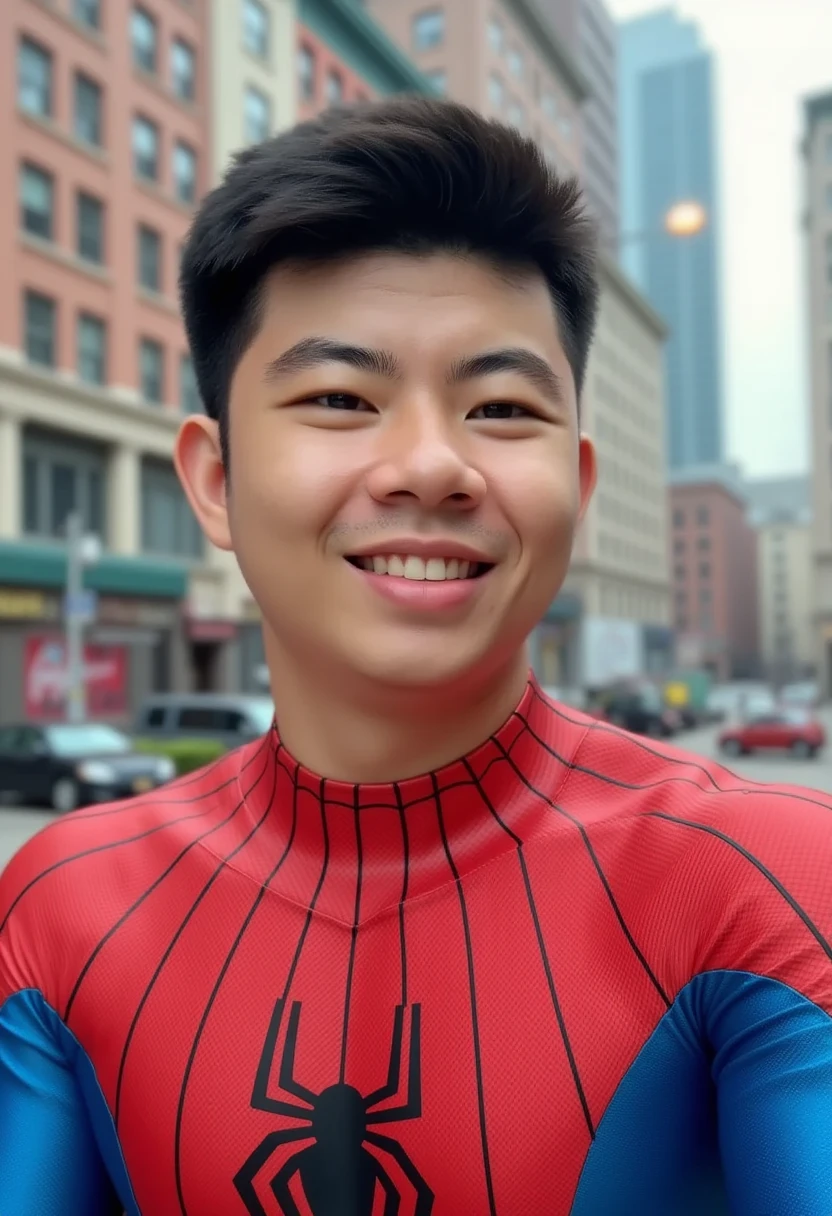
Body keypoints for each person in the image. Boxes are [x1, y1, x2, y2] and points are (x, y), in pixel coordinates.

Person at [0, 96, 830, 1216]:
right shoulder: (60, 905)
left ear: (575, 490)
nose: (431, 465)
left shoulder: (759, 882)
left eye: (498, 406)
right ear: (212, 478)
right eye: (340, 397)